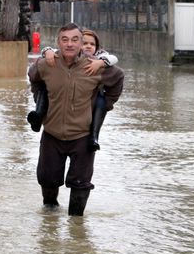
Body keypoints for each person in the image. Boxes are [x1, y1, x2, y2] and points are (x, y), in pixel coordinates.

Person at [28, 23, 124, 216]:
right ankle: (49, 230)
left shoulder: (95, 65)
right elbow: (33, 76)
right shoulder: (47, 63)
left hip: (82, 136)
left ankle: (76, 234)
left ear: (81, 43)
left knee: (80, 186)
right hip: (52, 134)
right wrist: (39, 99)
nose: (69, 44)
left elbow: (118, 78)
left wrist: (104, 104)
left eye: (74, 40)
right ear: (58, 43)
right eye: (65, 40)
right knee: (47, 184)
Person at [28, 29, 118, 151]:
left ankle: (94, 136)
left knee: (101, 100)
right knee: (45, 87)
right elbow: (37, 69)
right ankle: (38, 116)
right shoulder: (61, 57)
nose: (88, 46)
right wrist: (47, 52)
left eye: (92, 44)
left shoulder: (100, 58)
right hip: (53, 131)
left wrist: (101, 63)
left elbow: (116, 68)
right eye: (85, 43)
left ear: (97, 47)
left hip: (85, 124)